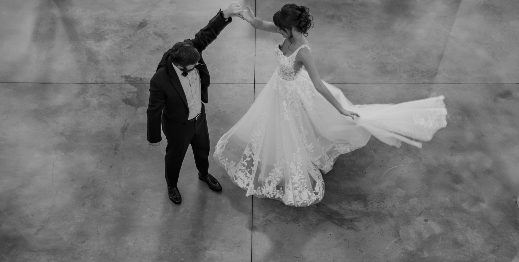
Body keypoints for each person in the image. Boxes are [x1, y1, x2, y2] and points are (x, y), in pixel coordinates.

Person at [215, 4, 448, 207]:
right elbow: (258, 24)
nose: (279, 31)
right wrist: (243, 14)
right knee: (275, 126)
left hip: (293, 93)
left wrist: (341, 109)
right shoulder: (285, 30)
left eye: (282, 29)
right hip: (277, 88)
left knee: (292, 128)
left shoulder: (303, 51)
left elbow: (319, 85)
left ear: (292, 28)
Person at [147, 3, 244, 205]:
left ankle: (203, 173)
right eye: (193, 66)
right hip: (177, 126)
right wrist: (154, 136)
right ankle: (172, 185)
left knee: (203, 149)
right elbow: (153, 110)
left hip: (199, 118)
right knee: (175, 157)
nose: (197, 66)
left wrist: (224, 15)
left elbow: (206, 34)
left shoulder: (189, 49)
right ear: (180, 65)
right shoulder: (160, 80)